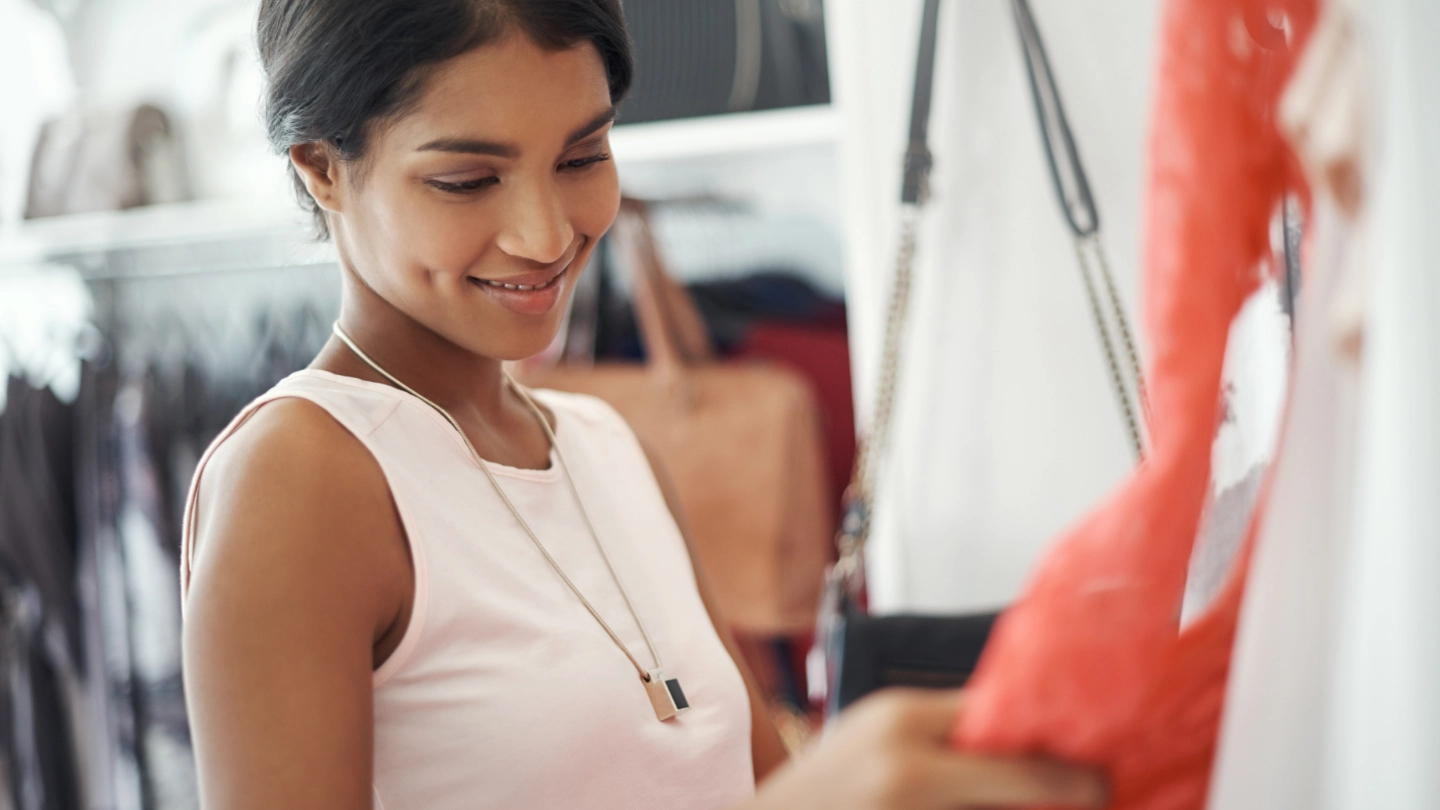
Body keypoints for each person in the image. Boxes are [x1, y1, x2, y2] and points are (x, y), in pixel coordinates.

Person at [180, 1, 1106, 808]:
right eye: (468, 180)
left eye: (583, 157)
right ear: (321, 169)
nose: (546, 234)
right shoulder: (301, 477)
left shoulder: (604, 445)